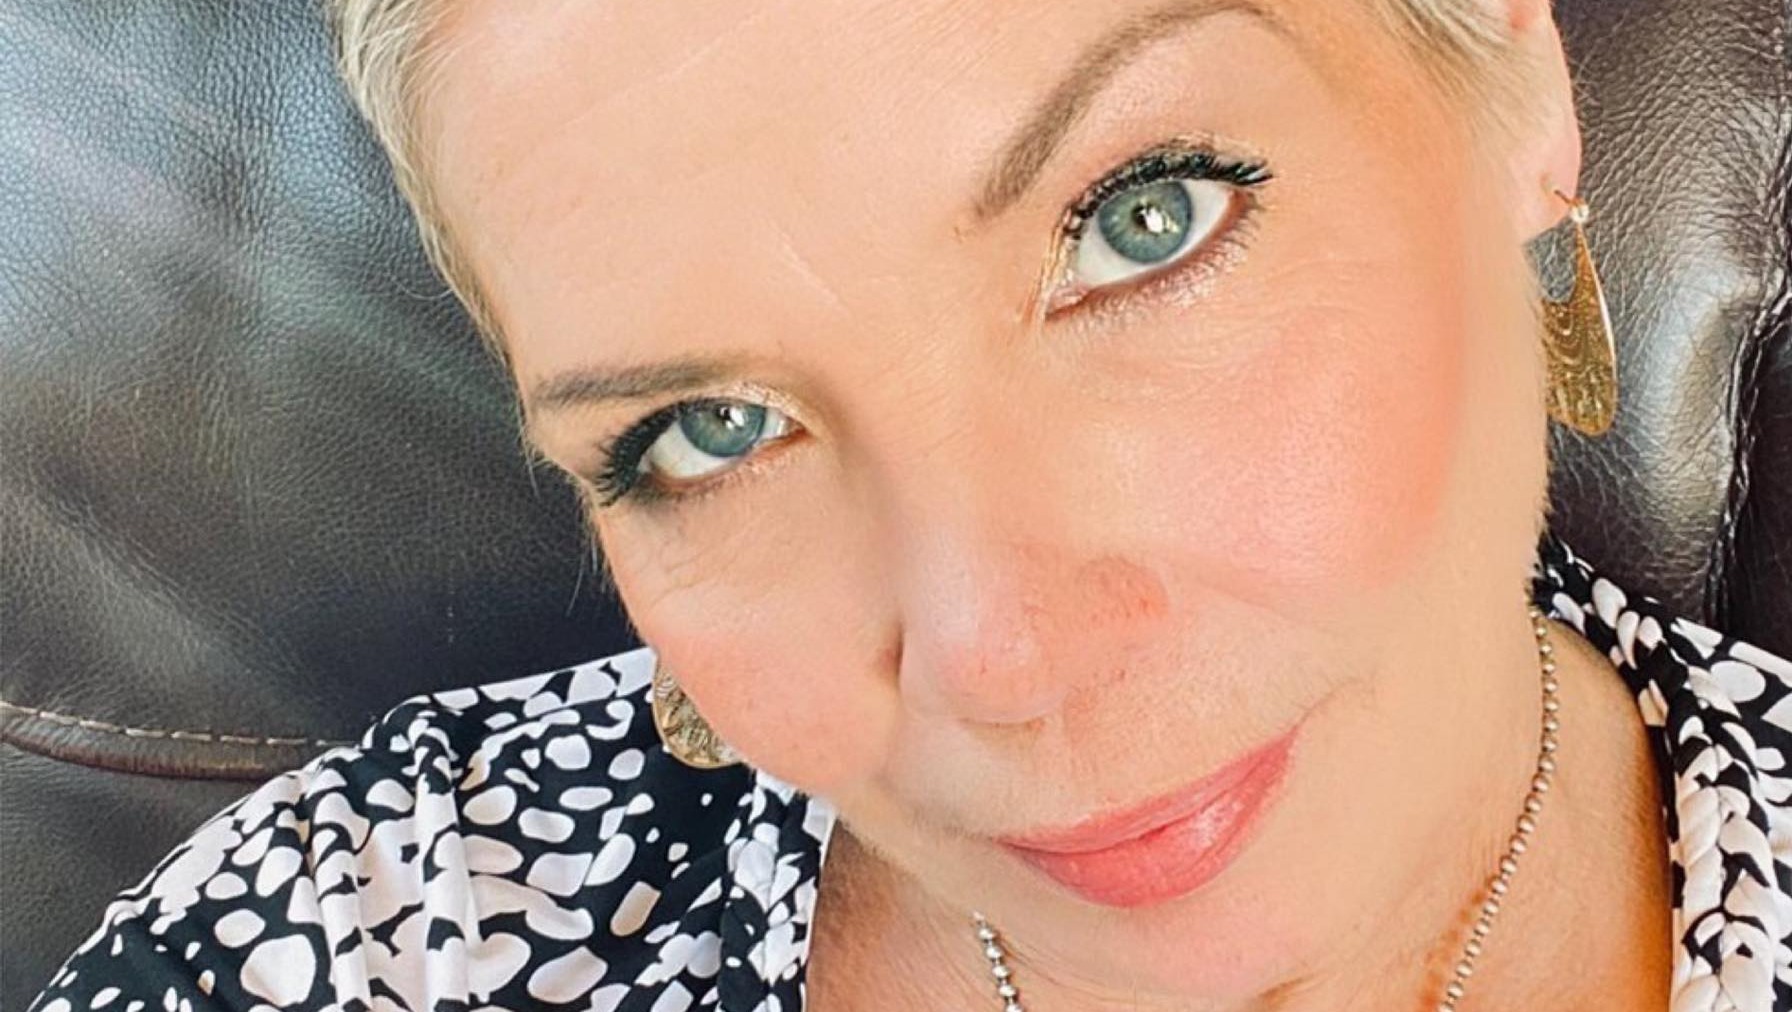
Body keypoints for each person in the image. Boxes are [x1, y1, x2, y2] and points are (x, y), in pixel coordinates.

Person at [27, 0, 1792, 1010]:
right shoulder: (373, 941)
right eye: (712, 429)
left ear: (1512, 84)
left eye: (1148, 221)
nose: (1001, 661)